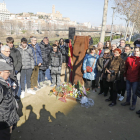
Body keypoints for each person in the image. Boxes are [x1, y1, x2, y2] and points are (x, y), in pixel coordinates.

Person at [0, 60, 19, 140]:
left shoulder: (3, 82)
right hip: (3, 123)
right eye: (7, 72)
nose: (9, 73)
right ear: (0, 72)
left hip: (8, 120)